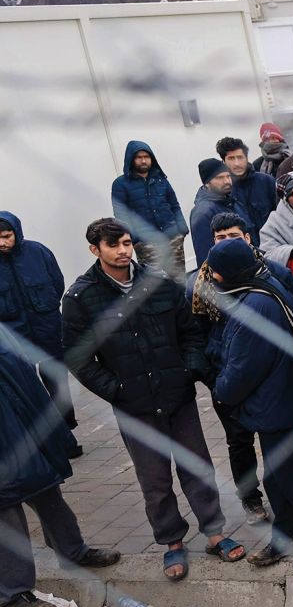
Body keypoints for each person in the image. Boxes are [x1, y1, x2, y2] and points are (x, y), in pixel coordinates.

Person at [62, 218, 245, 579]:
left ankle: (215, 533)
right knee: (155, 480)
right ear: (94, 250)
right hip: (135, 406)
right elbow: (77, 356)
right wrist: (116, 391)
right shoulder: (81, 298)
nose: (122, 251)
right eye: (113, 245)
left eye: (126, 243)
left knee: (197, 467)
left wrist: (187, 370)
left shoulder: (159, 282)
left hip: (177, 396)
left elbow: (190, 331)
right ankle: (172, 543)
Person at [204, 238, 293, 570]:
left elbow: (243, 366)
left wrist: (221, 391)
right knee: (276, 474)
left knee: (290, 474)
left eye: (217, 273)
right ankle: (287, 534)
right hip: (283, 394)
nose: (214, 280)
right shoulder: (265, 280)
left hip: (273, 400)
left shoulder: (253, 306)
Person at [0, 327, 117, 607]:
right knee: (6, 512)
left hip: (21, 425)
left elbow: (23, 375)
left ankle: (72, 551)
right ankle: (12, 594)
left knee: (47, 490)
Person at [189, 212, 286, 526]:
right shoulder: (200, 283)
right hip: (225, 378)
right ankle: (251, 498)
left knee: (277, 443)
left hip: (268, 378)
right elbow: (193, 335)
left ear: (247, 237)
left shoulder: (272, 273)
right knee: (239, 442)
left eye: (233, 236)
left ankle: (285, 497)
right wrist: (211, 376)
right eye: (220, 238)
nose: (227, 242)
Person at [0, 211, 79, 457]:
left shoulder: (38, 252)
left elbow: (57, 283)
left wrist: (45, 312)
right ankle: (44, 442)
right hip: (15, 337)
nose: (3, 242)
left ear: (16, 233)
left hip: (48, 330)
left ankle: (67, 434)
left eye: (6, 236)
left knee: (57, 383)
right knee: (28, 389)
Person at [111, 140, 187, 274]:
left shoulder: (161, 180)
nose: (143, 161)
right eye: (139, 157)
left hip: (173, 238)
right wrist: (136, 240)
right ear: (131, 159)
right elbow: (121, 216)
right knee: (156, 282)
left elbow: (174, 205)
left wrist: (181, 229)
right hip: (147, 243)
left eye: (146, 157)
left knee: (179, 279)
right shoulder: (120, 184)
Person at [189, 158, 247, 266]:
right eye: (220, 178)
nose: (226, 181)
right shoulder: (202, 212)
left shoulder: (233, 201)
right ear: (207, 183)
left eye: (228, 176)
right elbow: (206, 254)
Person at [215, 136, 275, 237]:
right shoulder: (222, 191)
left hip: (273, 244)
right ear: (223, 161)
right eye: (231, 158)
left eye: (240, 157)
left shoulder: (266, 181)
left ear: (247, 158)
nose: (237, 163)